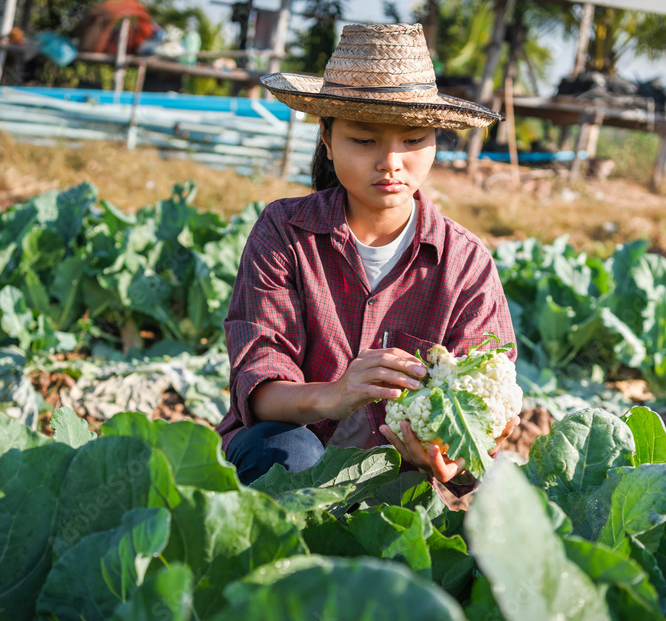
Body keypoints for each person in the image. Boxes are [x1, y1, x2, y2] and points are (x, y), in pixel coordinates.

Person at [217, 22, 519, 487]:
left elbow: (487, 404)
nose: (391, 162)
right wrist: (335, 396)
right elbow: (258, 385)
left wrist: (450, 456)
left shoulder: (465, 263)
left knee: (506, 496)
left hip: (399, 476)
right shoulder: (284, 231)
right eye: (364, 140)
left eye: (413, 140)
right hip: (290, 450)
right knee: (289, 452)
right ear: (327, 137)